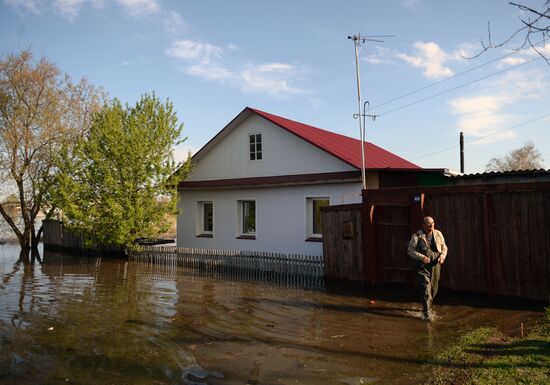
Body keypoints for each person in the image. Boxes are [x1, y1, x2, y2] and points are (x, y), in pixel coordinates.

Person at [407, 216, 448, 321]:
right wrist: (422, 257)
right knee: (426, 288)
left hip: (435, 264)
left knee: (434, 288)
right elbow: (410, 251)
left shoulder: (438, 233)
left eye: (433, 223)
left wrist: (442, 256)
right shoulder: (416, 236)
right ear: (423, 225)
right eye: (429, 223)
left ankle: (427, 307)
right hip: (422, 266)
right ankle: (426, 313)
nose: (431, 225)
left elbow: (444, 247)